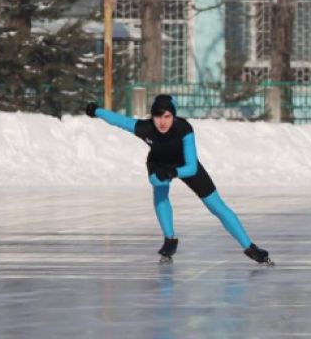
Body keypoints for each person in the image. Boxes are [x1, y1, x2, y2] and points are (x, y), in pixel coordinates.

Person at [85, 94, 272, 263]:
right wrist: (96, 111)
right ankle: (170, 239)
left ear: (173, 116)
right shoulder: (146, 128)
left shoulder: (184, 129)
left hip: (184, 166)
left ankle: (250, 247)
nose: (162, 122)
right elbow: (118, 120)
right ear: (152, 117)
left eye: (167, 116)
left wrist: (174, 172)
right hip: (158, 164)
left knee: (216, 205)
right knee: (158, 183)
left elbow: (191, 167)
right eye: (158, 117)